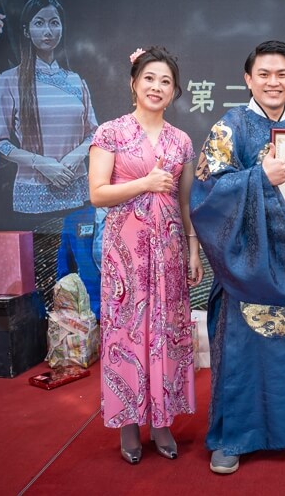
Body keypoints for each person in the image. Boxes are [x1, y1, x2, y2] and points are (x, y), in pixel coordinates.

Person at [190, 40, 285, 475]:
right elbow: (207, 195)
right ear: (248, 79)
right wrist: (259, 176)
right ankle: (234, 437)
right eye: (264, 74)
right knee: (246, 350)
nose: (272, 82)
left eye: (282, 75)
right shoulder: (230, 127)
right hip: (250, 260)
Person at [89, 46, 203, 465]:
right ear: (134, 83)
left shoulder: (181, 141)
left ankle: (162, 422)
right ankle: (128, 424)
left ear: (174, 91)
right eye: (150, 78)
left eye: (166, 81)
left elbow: (186, 203)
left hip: (170, 250)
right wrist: (144, 184)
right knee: (126, 333)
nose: (157, 87)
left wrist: (193, 250)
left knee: (166, 331)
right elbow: (97, 193)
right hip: (126, 253)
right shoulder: (111, 133)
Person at [0, 0, 98, 214]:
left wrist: (76, 156)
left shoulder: (76, 80)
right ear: (26, 31)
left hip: (78, 193)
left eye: (54, 23)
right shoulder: (9, 80)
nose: (48, 31)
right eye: (39, 23)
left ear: (62, 28)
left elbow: (95, 134)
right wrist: (41, 163)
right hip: (33, 196)